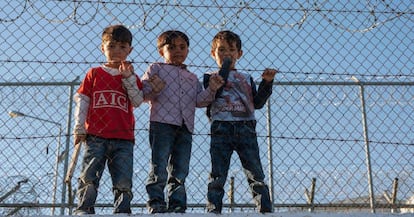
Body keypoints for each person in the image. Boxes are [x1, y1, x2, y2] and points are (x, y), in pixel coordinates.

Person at [141, 30, 224, 214]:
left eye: (182, 47)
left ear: (188, 50)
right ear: (161, 51)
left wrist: (211, 89)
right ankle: (156, 201)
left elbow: (199, 101)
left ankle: (177, 203)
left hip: (185, 126)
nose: (178, 51)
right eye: (171, 47)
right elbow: (143, 94)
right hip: (161, 123)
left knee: (180, 168)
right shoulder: (156, 69)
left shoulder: (192, 77)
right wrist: (153, 89)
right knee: (159, 164)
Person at [72, 24, 149, 215]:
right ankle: (84, 208)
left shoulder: (131, 76)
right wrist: (79, 127)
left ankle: (122, 209)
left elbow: (137, 100)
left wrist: (128, 78)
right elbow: (83, 100)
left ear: (129, 50)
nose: (117, 51)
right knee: (89, 175)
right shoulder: (94, 73)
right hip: (95, 135)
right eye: (112, 46)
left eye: (122, 47)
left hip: (123, 138)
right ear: (103, 48)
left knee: (123, 179)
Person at [203, 30, 277, 214]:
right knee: (218, 173)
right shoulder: (210, 77)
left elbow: (257, 103)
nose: (226, 54)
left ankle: (265, 208)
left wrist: (266, 83)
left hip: (246, 127)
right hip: (221, 126)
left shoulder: (247, 77)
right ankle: (214, 209)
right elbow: (211, 97)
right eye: (221, 50)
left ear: (239, 53)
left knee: (255, 172)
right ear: (213, 54)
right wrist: (224, 72)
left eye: (231, 50)